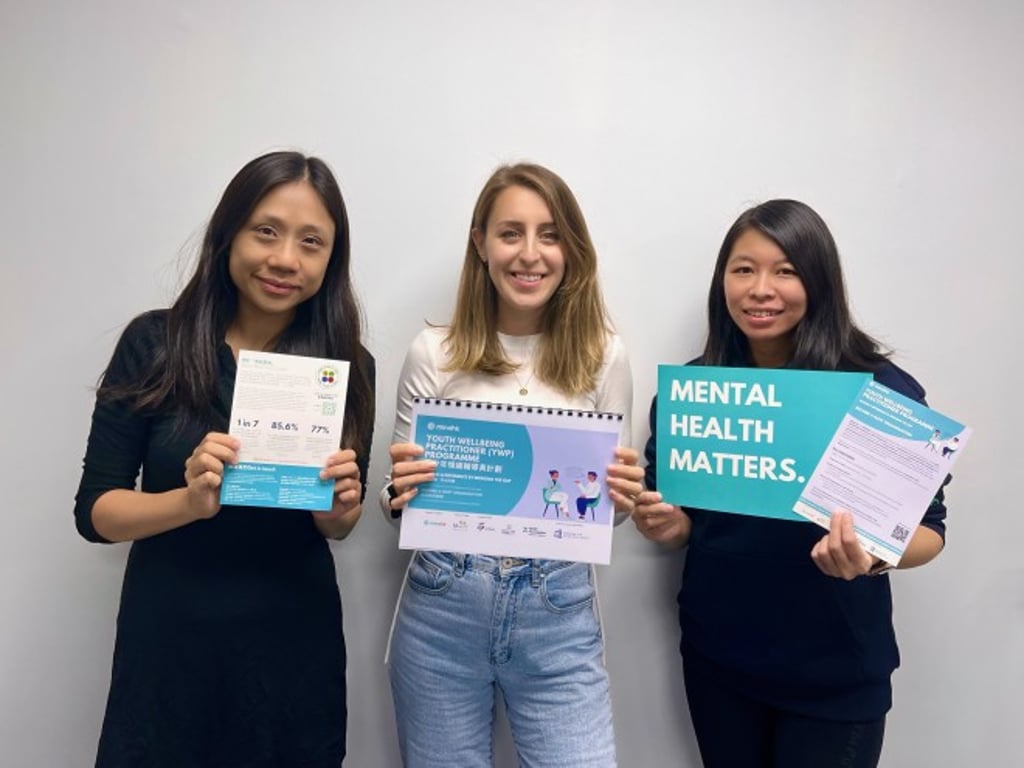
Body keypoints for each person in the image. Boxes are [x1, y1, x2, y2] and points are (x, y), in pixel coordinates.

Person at [74, 151, 375, 768]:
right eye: (266, 230)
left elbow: (338, 525)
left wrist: (342, 506)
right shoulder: (154, 343)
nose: (285, 258)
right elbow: (96, 511)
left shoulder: (346, 365)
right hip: (171, 645)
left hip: (293, 645)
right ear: (228, 233)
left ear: (330, 260)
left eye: (311, 241)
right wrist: (188, 502)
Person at [633, 200, 949, 768]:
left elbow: (930, 533)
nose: (761, 289)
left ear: (819, 281)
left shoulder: (878, 392)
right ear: (722, 281)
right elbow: (681, 526)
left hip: (835, 676)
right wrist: (669, 525)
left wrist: (872, 557)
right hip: (719, 666)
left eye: (785, 270)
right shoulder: (693, 393)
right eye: (743, 269)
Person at [380, 163, 644, 767]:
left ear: (572, 249)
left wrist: (622, 502)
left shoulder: (605, 357)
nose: (530, 254)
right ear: (480, 243)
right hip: (442, 602)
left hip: (559, 610)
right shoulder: (434, 354)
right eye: (510, 233)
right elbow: (396, 507)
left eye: (550, 234)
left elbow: (608, 516)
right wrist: (398, 493)